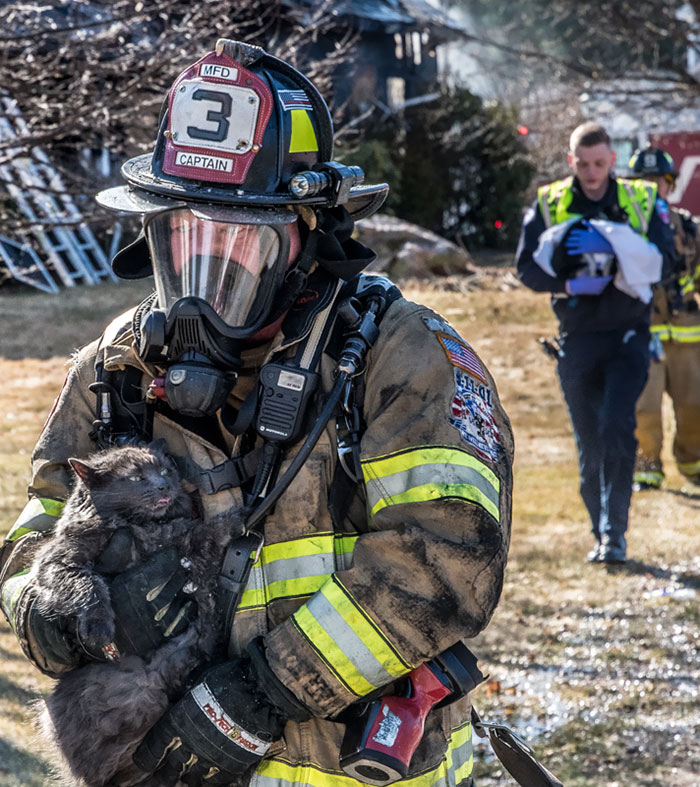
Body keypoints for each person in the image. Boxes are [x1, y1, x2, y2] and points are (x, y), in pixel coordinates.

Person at [0, 40, 513, 787]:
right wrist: (46, 608)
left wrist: (268, 691)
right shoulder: (114, 371)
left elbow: (446, 556)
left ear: (307, 235)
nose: (205, 279)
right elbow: (32, 532)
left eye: (240, 239)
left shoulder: (402, 357)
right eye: (183, 235)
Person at [516, 121, 677, 565]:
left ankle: (615, 535)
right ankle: (598, 529)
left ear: (612, 161)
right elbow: (526, 267)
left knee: (616, 427)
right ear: (572, 161)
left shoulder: (640, 200)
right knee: (589, 444)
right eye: (583, 164)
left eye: (600, 164)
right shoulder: (551, 204)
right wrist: (567, 284)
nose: (591, 173)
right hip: (577, 339)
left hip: (628, 337)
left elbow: (665, 262)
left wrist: (623, 254)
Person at [628, 146, 700, 491]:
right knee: (644, 407)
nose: (654, 187)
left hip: (688, 338)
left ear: (670, 185)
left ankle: (693, 463)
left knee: (694, 405)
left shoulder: (689, 228)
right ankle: (647, 469)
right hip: (644, 335)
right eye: (645, 181)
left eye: (660, 180)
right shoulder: (624, 231)